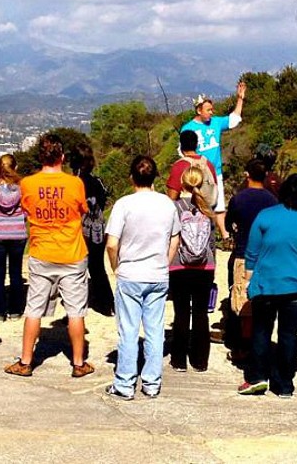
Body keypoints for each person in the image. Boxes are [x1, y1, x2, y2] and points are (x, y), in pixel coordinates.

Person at [4, 133, 94, 379]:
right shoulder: (75, 183)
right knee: (76, 311)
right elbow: (82, 210)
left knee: (33, 308)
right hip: (72, 252)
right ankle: (78, 362)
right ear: (62, 157)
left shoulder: (28, 184)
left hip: (41, 251)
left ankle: (25, 360)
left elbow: (26, 208)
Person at [237, 174, 297, 398]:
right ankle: (284, 384)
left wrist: (248, 282)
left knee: (261, 332)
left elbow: (252, 254)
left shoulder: (265, 217)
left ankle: (257, 378)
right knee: (288, 334)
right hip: (296, 287)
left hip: (266, 285)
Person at [105, 156, 180, 400]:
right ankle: (151, 382)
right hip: (157, 273)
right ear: (155, 177)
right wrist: (164, 263)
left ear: (131, 177)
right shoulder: (167, 204)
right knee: (154, 329)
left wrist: (116, 267)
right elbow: (175, 239)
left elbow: (112, 244)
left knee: (128, 330)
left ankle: (125, 383)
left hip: (130, 273)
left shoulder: (124, 204)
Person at [224, 158, 278, 363]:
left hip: (244, 252)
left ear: (247, 175)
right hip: (267, 255)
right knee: (263, 302)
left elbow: (229, 224)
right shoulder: (273, 201)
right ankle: (260, 343)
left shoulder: (239, 198)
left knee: (242, 301)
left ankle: (243, 347)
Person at [181, 80, 246, 245]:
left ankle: (224, 236)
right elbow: (182, 151)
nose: (211, 112)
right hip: (197, 174)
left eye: (212, 109)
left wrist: (240, 99)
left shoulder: (216, 122)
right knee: (197, 204)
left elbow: (234, 119)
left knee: (219, 205)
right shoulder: (188, 128)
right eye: (208, 109)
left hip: (215, 172)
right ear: (199, 110)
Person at [169, 166, 216, 373]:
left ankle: (179, 359)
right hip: (205, 266)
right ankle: (200, 360)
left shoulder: (174, 207)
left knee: (181, 312)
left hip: (179, 265)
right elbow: (211, 241)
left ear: (183, 182)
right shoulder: (207, 208)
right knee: (200, 313)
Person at [69, 143, 114, 317]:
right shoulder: (97, 181)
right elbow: (103, 202)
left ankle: (76, 307)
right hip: (98, 227)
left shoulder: (73, 183)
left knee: (76, 270)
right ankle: (107, 304)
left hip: (78, 228)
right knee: (97, 267)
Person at [0, 154, 27, 322]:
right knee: (16, 273)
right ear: (15, 167)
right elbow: (27, 209)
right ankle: (15, 309)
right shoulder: (22, 187)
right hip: (17, 233)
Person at [167, 130, 218, 204]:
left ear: (181, 146)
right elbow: (214, 188)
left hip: (189, 212)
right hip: (209, 210)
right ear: (196, 145)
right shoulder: (208, 163)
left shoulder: (179, 166)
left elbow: (172, 198)